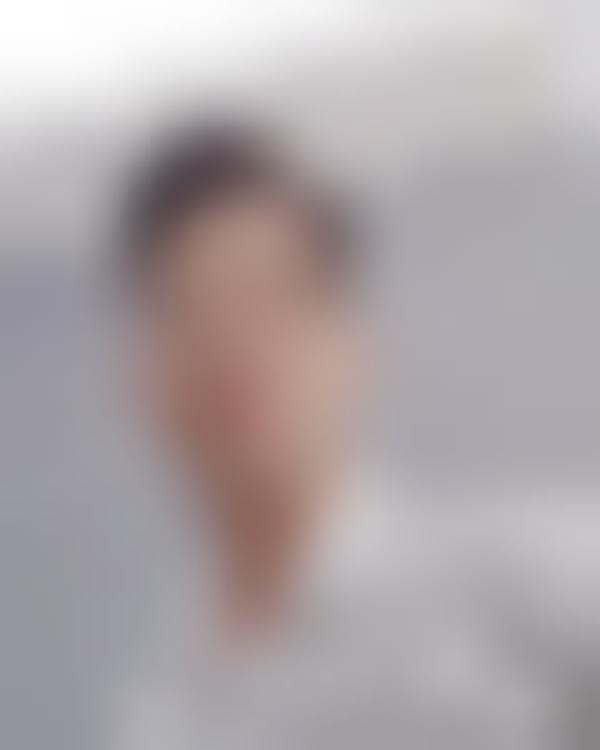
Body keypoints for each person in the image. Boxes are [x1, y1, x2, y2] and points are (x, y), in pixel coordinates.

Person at [112, 125, 600, 750]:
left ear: (355, 342)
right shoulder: (163, 708)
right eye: (191, 310)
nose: (230, 344)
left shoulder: (523, 594)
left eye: (268, 298)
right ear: (138, 373)